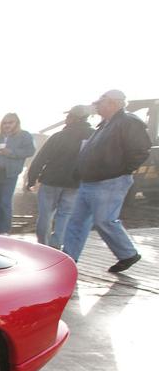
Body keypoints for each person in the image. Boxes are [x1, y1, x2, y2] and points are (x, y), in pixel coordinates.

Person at [62, 90, 151, 272]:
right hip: (90, 181)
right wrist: (80, 170)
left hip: (109, 181)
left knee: (105, 221)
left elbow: (141, 150)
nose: (97, 106)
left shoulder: (128, 122)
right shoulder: (105, 125)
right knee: (76, 222)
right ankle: (69, 258)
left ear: (113, 103)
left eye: (100, 102)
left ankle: (128, 254)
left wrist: (121, 171)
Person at [26, 105, 94, 248]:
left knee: (45, 215)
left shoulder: (58, 136)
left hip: (51, 180)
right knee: (65, 214)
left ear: (74, 118)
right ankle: (56, 245)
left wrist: (31, 179)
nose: (66, 119)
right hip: (75, 183)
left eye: (68, 116)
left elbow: (40, 159)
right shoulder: (94, 136)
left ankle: (43, 245)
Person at [0, 113, 35, 234]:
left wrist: (11, 152)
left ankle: (4, 230)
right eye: (5, 123)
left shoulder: (24, 136)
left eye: (10, 123)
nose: (7, 125)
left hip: (9, 173)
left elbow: (30, 151)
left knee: (5, 201)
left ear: (16, 123)